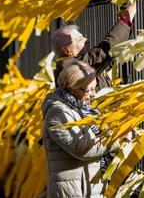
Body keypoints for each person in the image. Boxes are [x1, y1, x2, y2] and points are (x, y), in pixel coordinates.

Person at [42, 59, 120, 198]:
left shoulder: (87, 109)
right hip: (72, 191)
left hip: (88, 187)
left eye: (94, 88)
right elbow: (81, 148)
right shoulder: (57, 112)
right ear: (72, 87)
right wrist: (116, 139)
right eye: (88, 90)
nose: (93, 94)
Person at [51, 2, 136, 90]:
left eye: (83, 36)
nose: (86, 40)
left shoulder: (80, 63)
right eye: (80, 39)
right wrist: (127, 19)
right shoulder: (73, 67)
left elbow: (107, 58)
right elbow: (106, 50)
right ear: (67, 51)